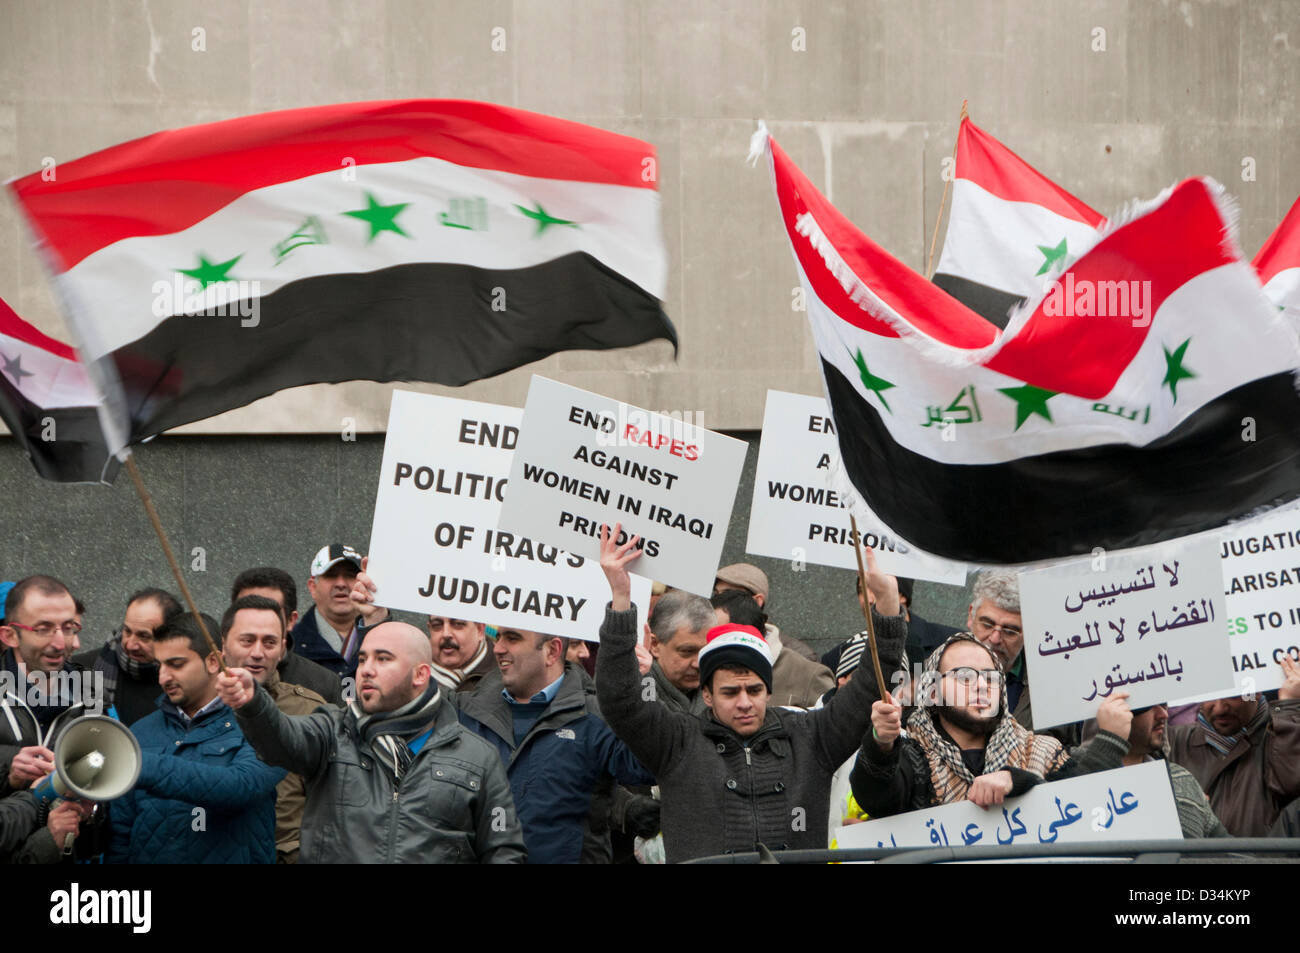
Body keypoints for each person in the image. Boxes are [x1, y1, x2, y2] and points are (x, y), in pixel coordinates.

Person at [598, 524, 904, 862]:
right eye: (730, 692)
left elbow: (866, 688)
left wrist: (888, 604)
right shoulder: (677, 741)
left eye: (754, 690)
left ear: (768, 691)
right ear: (708, 695)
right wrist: (621, 598)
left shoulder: (810, 736)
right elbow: (621, 700)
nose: (745, 703)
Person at [217, 620, 525, 863]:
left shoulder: (478, 756)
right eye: (363, 659)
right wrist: (254, 703)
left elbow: (503, 849)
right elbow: (281, 739)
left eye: (383, 659)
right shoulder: (332, 732)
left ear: (420, 675)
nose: (366, 670)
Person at [851, 633, 1131, 817]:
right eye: (964, 677)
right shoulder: (912, 754)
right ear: (932, 692)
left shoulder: (1039, 750)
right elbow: (876, 796)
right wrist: (881, 743)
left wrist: (1020, 782)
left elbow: (1088, 806)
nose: (982, 686)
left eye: (990, 677)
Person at [451, 624, 654, 864]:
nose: (498, 648)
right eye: (500, 636)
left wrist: (642, 688)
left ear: (552, 650)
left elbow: (648, 765)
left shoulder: (596, 717)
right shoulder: (463, 710)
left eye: (513, 638)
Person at [107, 612, 285, 864]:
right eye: (160, 665)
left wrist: (137, 764)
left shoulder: (262, 727)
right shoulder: (139, 732)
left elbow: (239, 787)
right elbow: (121, 834)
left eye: (176, 664)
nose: (163, 677)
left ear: (213, 662)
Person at [221, 594, 328, 863]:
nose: (258, 653)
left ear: (282, 649)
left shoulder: (310, 710)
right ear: (223, 645)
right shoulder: (199, 705)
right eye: (247, 640)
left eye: (269, 642)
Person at [1166, 656, 1300, 836]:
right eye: (1210, 695)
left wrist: (1290, 708)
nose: (1220, 708)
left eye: (1233, 695)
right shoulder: (1174, 741)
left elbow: (1292, 784)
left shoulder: (1283, 732)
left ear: (1255, 693)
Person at [1, 576, 96, 798]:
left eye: (69, 627)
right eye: (43, 629)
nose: (61, 644)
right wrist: (9, 774)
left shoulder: (94, 693)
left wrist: (88, 810)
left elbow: (112, 786)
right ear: (10, 636)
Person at [1107, 702, 1228, 839]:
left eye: (1163, 705)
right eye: (1148, 706)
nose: (1163, 714)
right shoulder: (1081, 776)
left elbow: (1229, 852)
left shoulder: (1181, 779)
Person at [231, 567, 343, 705]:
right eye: (248, 609)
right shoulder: (209, 678)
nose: (258, 619)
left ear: (291, 620)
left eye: (270, 610)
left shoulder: (325, 684)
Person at [72, 588, 181, 726]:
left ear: (170, 637)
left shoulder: (185, 683)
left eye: (144, 636)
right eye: (127, 631)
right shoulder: (82, 669)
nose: (130, 645)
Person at [711, 588, 833, 708]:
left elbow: (833, 723)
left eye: (717, 635)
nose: (744, 705)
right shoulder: (699, 668)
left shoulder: (809, 674)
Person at [289, 544, 388, 679]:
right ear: (312, 587)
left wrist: (379, 622)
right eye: (331, 576)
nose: (341, 584)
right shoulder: (289, 646)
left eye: (350, 575)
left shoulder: (390, 639)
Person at [714, 563, 820, 662]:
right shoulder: (706, 640)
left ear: (757, 601)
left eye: (729, 594)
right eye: (716, 594)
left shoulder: (799, 657)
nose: (719, 601)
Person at [427, 616, 496, 692]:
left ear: (479, 630)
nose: (445, 634)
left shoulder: (504, 676)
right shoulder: (413, 671)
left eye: (457, 624)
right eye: (437, 625)